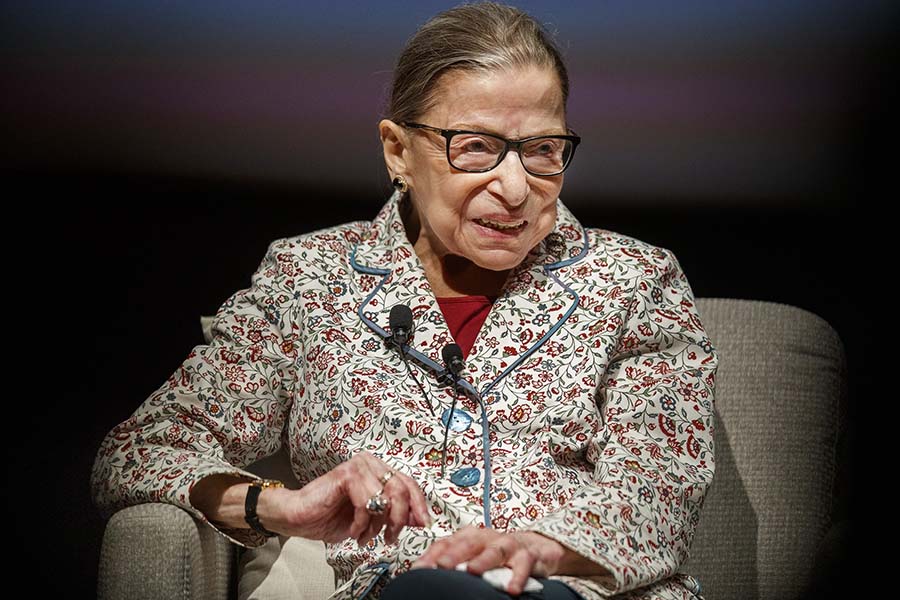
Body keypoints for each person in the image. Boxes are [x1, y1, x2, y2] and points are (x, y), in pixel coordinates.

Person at [91, 3, 718, 599]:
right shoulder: (310, 278)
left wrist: (542, 549)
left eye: (543, 151)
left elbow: (659, 490)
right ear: (398, 150)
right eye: (476, 146)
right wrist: (282, 505)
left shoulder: (637, 279)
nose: (517, 187)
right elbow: (141, 450)